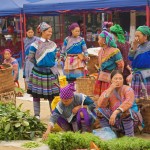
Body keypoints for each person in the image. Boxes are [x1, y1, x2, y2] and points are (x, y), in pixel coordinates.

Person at [27, 22, 60, 119]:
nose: (50, 33)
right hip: (38, 72)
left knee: (52, 95)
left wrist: (52, 63)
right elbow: (31, 58)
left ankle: (53, 114)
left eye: (51, 32)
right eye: (49, 31)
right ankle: (37, 115)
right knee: (36, 95)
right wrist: (40, 64)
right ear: (42, 31)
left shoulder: (53, 44)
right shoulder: (35, 44)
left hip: (51, 72)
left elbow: (56, 57)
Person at [97, 70, 143, 137]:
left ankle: (129, 136)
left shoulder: (128, 89)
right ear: (111, 80)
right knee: (100, 111)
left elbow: (128, 102)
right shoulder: (109, 90)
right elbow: (100, 104)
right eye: (115, 78)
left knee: (125, 111)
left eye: (120, 78)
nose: (118, 81)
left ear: (123, 80)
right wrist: (110, 90)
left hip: (131, 119)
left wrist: (115, 112)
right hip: (115, 120)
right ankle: (108, 134)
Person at [94, 30, 124, 96]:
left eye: (99, 39)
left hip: (110, 77)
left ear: (104, 41)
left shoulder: (115, 51)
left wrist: (117, 76)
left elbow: (120, 65)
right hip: (101, 77)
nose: (98, 41)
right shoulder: (100, 51)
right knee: (102, 96)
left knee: (111, 96)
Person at [128, 26, 150, 99]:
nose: (136, 38)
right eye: (135, 36)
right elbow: (130, 58)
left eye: (138, 36)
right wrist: (134, 46)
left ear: (145, 36)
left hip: (147, 75)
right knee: (136, 97)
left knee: (146, 98)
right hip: (137, 75)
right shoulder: (137, 46)